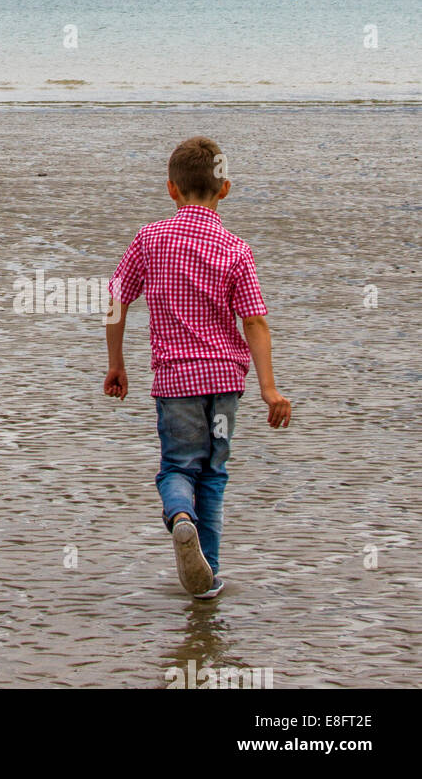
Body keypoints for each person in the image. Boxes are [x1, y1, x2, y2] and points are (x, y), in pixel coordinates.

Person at [103, 135, 292, 599]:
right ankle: (207, 573)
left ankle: (180, 518)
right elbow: (255, 321)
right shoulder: (235, 249)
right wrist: (269, 388)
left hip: (176, 382)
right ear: (224, 189)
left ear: (171, 189)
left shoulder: (150, 239)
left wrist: (116, 364)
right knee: (215, 472)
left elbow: (114, 300)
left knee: (177, 467)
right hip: (226, 384)